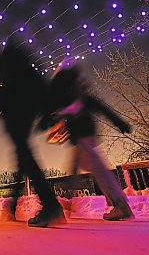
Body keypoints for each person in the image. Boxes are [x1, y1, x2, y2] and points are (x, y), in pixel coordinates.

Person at [0, 37, 65, 228]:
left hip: (12, 109)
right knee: (22, 154)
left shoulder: (3, 60)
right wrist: (47, 114)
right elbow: (41, 86)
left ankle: (51, 205)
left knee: (23, 153)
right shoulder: (27, 62)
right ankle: (14, 205)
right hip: (29, 110)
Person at [40, 64, 135, 221]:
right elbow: (102, 108)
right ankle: (69, 200)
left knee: (98, 169)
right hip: (83, 137)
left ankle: (120, 204)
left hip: (83, 136)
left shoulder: (69, 98)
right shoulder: (79, 97)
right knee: (77, 166)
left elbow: (56, 114)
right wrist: (120, 123)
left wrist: (48, 120)